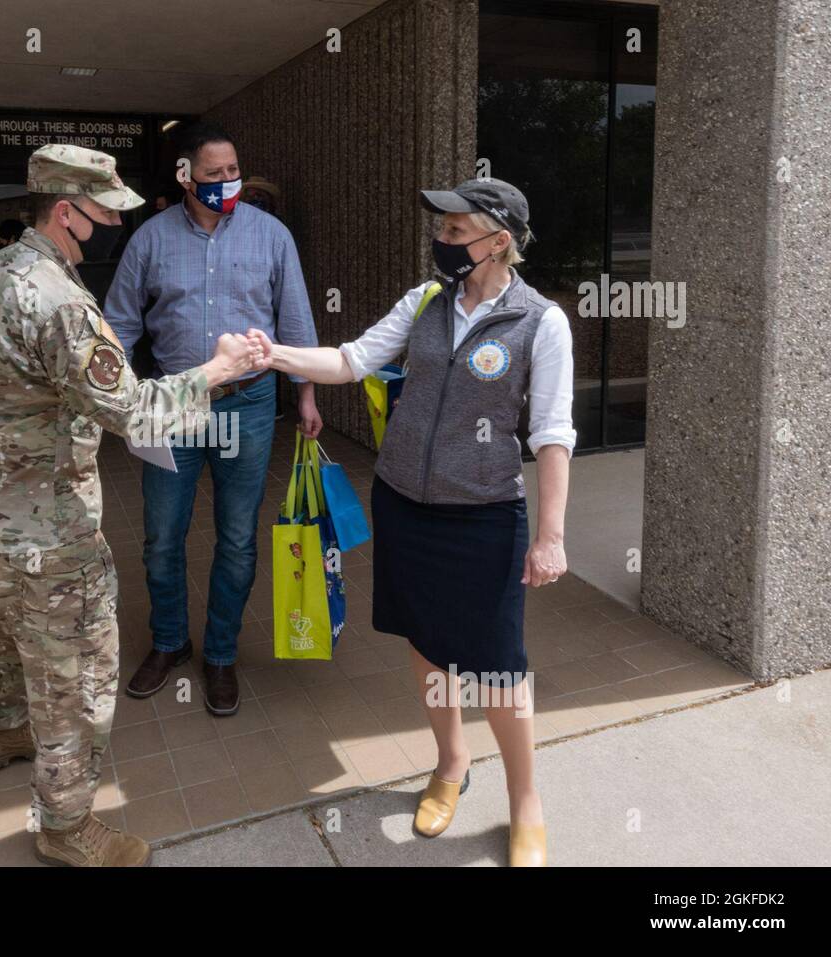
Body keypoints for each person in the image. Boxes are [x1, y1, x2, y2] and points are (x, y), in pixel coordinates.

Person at [247, 178, 574, 867]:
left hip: (485, 515)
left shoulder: (539, 322)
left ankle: (525, 803)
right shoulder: (425, 302)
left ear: (498, 242)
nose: (442, 243)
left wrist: (550, 535)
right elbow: (350, 360)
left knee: (498, 669)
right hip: (403, 502)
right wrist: (272, 353)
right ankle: (451, 763)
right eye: (443, 231)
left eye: (456, 233)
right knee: (426, 643)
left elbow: (551, 433)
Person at [0, 143, 260, 867]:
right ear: (66, 212)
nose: (113, 228)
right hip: (50, 523)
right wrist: (217, 371)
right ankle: (64, 826)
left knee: (10, 624)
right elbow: (138, 414)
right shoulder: (61, 302)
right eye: (103, 214)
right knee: (76, 675)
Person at [104, 122, 321, 716]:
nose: (227, 183)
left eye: (233, 172)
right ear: (185, 176)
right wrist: (116, 393)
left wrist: (304, 394)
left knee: (236, 539)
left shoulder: (271, 235)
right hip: (170, 404)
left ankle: (221, 653)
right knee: (161, 538)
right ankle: (170, 642)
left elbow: (295, 318)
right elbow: (119, 322)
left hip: (248, 404)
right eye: (214, 174)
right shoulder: (149, 239)